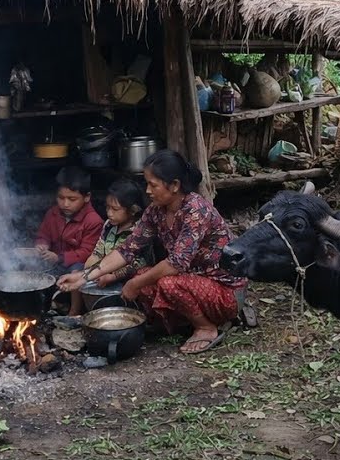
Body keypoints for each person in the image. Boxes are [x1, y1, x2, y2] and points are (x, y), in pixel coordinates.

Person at [59, 149, 246, 354]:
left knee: (163, 282)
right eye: (147, 183)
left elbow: (175, 263)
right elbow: (127, 249)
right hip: (193, 282)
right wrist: (83, 278)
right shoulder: (156, 211)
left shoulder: (195, 210)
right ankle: (182, 323)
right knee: (142, 276)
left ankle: (206, 328)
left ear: (174, 185)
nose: (147, 190)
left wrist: (134, 283)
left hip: (225, 292)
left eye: (153, 185)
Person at [59, 177, 153, 316]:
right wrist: (86, 272)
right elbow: (98, 252)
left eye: (115, 209)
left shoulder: (139, 229)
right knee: (77, 272)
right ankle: (74, 312)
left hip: (129, 276)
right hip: (104, 271)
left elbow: (138, 263)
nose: (109, 213)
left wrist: (112, 276)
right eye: (107, 207)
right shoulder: (109, 225)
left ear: (132, 210)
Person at [34, 166, 103, 279]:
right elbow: (43, 235)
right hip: (53, 262)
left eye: (72, 199)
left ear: (87, 197)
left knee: (77, 269)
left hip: (76, 265)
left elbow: (87, 252)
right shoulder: (53, 213)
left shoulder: (93, 221)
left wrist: (59, 257)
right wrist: (42, 245)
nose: (65, 204)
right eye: (61, 198)